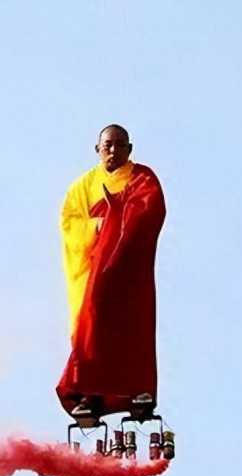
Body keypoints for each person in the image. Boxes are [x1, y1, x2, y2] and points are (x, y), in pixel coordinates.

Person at [56, 124, 166, 418]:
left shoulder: (142, 178)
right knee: (92, 323)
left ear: (130, 149)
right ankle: (90, 394)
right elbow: (69, 224)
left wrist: (119, 218)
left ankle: (138, 391)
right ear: (98, 149)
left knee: (134, 326)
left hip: (129, 271)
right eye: (108, 145)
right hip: (95, 270)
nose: (114, 151)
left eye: (120, 145)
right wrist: (99, 226)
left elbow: (150, 211)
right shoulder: (83, 186)